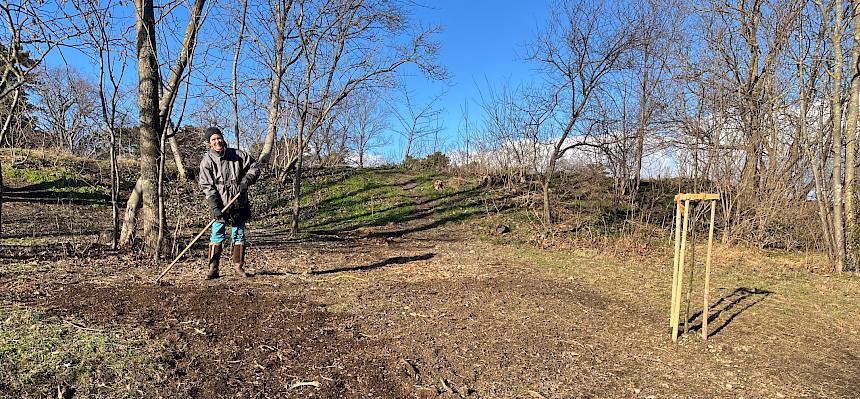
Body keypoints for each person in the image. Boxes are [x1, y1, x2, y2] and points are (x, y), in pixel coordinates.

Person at [198, 127, 260, 279]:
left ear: (223, 139)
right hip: (220, 204)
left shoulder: (237, 155)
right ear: (209, 143)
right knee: (217, 234)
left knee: (238, 234)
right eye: (213, 140)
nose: (217, 141)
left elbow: (255, 167)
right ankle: (213, 268)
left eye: (218, 138)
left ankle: (238, 266)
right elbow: (207, 186)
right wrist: (214, 206)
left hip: (239, 201)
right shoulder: (207, 161)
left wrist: (247, 180)